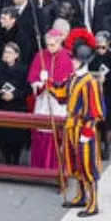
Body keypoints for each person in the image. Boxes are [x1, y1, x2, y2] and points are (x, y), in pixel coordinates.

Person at [44, 29, 104, 217]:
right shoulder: (72, 78)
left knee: (87, 166)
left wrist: (87, 133)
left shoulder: (90, 82)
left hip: (84, 129)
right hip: (71, 127)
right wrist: (49, 83)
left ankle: (93, 203)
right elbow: (62, 94)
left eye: (75, 59)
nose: (72, 62)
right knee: (76, 164)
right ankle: (81, 196)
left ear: (83, 61)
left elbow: (96, 112)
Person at [28, 28, 73, 168]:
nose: (49, 48)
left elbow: (68, 81)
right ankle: (39, 167)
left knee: (57, 135)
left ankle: (56, 167)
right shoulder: (40, 55)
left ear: (60, 42)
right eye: (47, 44)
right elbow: (32, 77)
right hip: (43, 102)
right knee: (41, 132)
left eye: (52, 45)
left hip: (58, 104)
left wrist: (52, 83)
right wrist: (38, 82)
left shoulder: (68, 56)